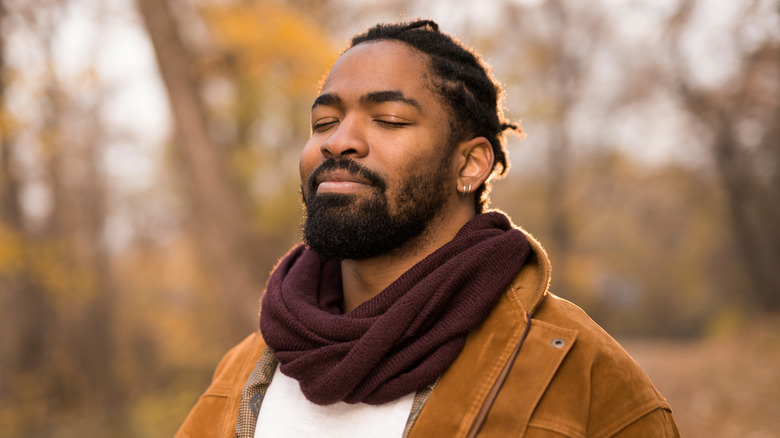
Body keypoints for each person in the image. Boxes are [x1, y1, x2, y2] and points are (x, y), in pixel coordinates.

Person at [177, 19, 679, 438]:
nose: (339, 142)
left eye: (390, 119)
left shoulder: (581, 377)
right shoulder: (244, 370)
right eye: (324, 123)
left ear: (471, 165)